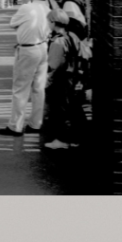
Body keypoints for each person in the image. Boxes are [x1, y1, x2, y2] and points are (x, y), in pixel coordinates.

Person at [0, 0, 53, 137]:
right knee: (38, 88)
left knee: (21, 88)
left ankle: (15, 126)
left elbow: (12, 23)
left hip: (28, 49)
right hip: (43, 47)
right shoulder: (47, 8)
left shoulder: (27, 8)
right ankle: (36, 124)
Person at [43, 8, 88, 148]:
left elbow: (53, 65)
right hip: (74, 77)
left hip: (61, 80)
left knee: (60, 110)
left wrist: (45, 79)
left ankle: (61, 140)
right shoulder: (72, 36)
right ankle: (77, 139)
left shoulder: (57, 42)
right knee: (74, 109)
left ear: (53, 22)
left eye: (48, 21)